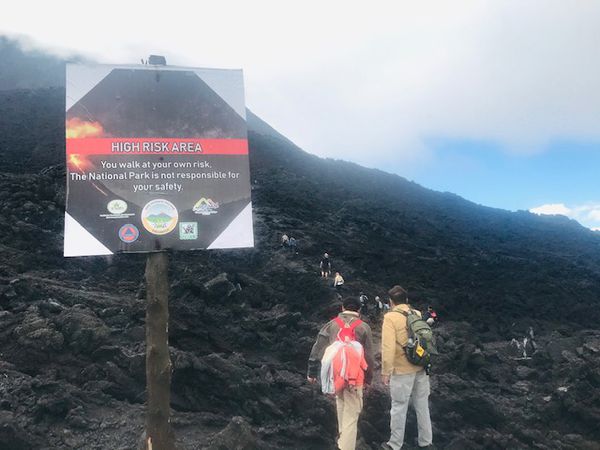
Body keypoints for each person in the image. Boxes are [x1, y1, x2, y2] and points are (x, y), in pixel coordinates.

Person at [307, 297, 375, 450]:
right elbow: (369, 357)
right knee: (351, 416)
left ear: (342, 308)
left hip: (335, 375)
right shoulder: (364, 327)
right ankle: (345, 447)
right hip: (354, 378)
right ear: (359, 310)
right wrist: (368, 379)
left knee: (341, 406)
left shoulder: (331, 325)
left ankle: (342, 441)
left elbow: (318, 348)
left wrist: (312, 371)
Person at [381, 285, 433, 450]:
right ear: (407, 300)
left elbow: (387, 348)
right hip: (421, 367)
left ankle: (395, 444)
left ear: (391, 302)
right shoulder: (416, 313)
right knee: (422, 405)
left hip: (402, 370)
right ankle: (426, 442)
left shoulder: (390, 318)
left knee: (399, 406)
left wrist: (386, 371)